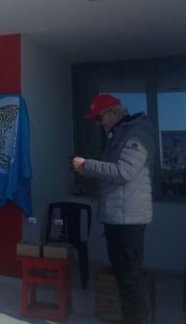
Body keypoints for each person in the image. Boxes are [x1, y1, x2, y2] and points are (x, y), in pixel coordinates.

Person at [72, 94, 155, 324]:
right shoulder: (119, 134)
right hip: (118, 216)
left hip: (128, 220)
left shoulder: (137, 133)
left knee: (131, 278)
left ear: (114, 112)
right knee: (124, 276)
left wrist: (88, 165)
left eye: (99, 118)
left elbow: (123, 172)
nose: (99, 124)